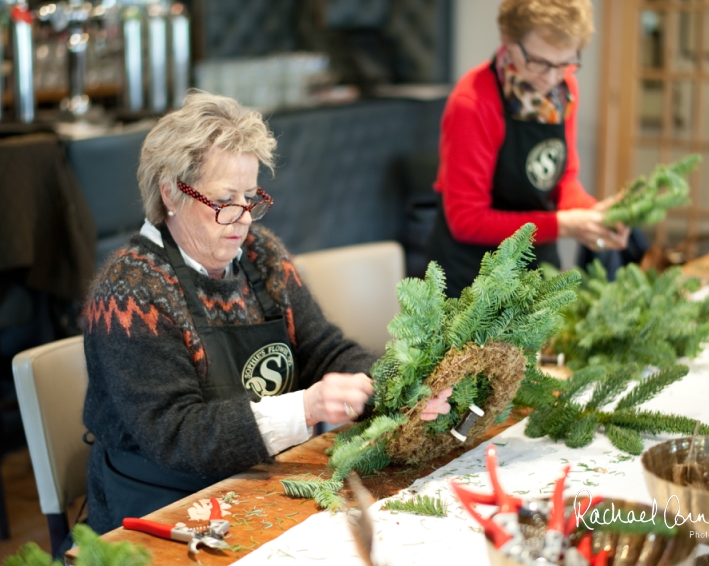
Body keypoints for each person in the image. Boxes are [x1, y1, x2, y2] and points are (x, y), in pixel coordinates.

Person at [82, 92, 453, 535]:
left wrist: (402, 386)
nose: (243, 219)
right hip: (162, 513)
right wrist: (308, 406)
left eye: (251, 198)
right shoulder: (131, 294)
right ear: (169, 195)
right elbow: (180, 437)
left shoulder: (261, 256)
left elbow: (324, 350)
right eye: (224, 201)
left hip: (257, 485)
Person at [427, 0, 630, 297]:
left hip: (536, 269)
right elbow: (466, 221)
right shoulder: (473, 103)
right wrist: (562, 225)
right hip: (472, 282)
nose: (550, 79)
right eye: (538, 62)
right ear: (509, 41)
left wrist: (593, 216)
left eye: (564, 63)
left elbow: (562, 181)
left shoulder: (565, 91)